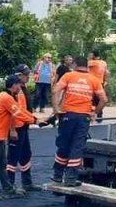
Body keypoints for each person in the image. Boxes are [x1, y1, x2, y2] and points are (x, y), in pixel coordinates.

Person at [51, 57, 109, 187]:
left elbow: (55, 90)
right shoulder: (93, 80)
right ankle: (71, 178)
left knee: (64, 144)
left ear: (75, 64)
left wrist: (56, 109)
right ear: (87, 67)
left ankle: (57, 176)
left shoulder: (68, 76)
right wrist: (94, 112)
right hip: (83, 117)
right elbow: (104, 99)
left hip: (67, 115)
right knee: (77, 146)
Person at [6, 65, 38, 191]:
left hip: (24, 126)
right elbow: (13, 112)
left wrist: (34, 120)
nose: (28, 76)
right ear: (18, 75)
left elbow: (25, 110)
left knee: (26, 154)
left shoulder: (23, 89)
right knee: (13, 156)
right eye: (25, 74)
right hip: (16, 128)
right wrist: (12, 129)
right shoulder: (15, 92)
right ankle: (9, 184)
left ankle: (27, 183)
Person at [87, 51, 109, 120]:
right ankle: (99, 114)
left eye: (90, 54)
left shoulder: (92, 62)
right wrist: (105, 81)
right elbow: (107, 72)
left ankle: (92, 114)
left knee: (91, 100)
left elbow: (83, 65)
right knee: (99, 99)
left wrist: (89, 58)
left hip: (92, 83)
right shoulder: (103, 63)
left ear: (93, 55)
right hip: (100, 83)